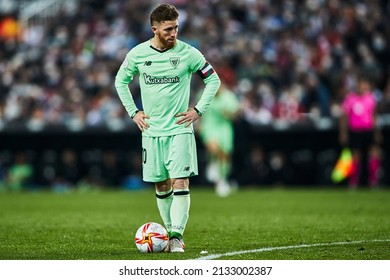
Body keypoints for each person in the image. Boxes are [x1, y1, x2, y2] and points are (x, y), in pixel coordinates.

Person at [115, 3, 220, 253]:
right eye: (168, 29)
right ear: (155, 29)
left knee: (180, 182)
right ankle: (168, 231)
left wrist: (197, 110)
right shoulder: (138, 54)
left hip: (179, 129)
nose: (173, 33)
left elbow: (213, 79)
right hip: (151, 131)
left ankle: (175, 236)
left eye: (176, 28)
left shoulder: (188, 53)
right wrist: (134, 112)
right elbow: (120, 81)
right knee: (161, 185)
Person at [339, 75, 382, 188]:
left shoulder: (370, 98)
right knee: (355, 157)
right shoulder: (350, 98)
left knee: (374, 154)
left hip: (368, 129)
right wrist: (343, 133)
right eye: (360, 84)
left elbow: (373, 116)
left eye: (364, 84)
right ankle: (353, 182)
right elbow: (344, 117)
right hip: (355, 130)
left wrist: (376, 132)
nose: (361, 87)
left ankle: (373, 181)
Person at [198, 83, 239, 197]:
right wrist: (199, 126)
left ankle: (222, 179)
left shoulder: (228, 97)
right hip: (209, 126)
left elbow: (235, 113)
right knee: (213, 148)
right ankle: (213, 165)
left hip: (224, 127)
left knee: (224, 155)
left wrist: (229, 113)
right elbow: (199, 111)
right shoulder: (204, 94)